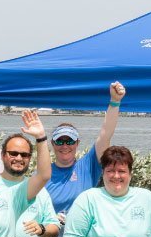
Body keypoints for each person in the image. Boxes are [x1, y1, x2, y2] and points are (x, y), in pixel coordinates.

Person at [63, 145, 151, 237]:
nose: (116, 176)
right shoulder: (87, 199)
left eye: (121, 171)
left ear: (130, 173)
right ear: (103, 173)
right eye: (110, 171)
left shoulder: (148, 199)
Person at [46, 82, 127, 218]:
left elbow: (105, 134)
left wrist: (115, 101)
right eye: (60, 141)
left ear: (77, 143)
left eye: (70, 141)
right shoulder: (43, 174)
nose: (65, 146)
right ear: (52, 144)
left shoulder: (88, 166)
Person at [0, 133, 61, 237]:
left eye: (24, 155)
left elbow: (54, 227)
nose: (19, 158)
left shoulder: (39, 190)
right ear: (3, 155)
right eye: (13, 153)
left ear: (30, 158)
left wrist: (42, 229)